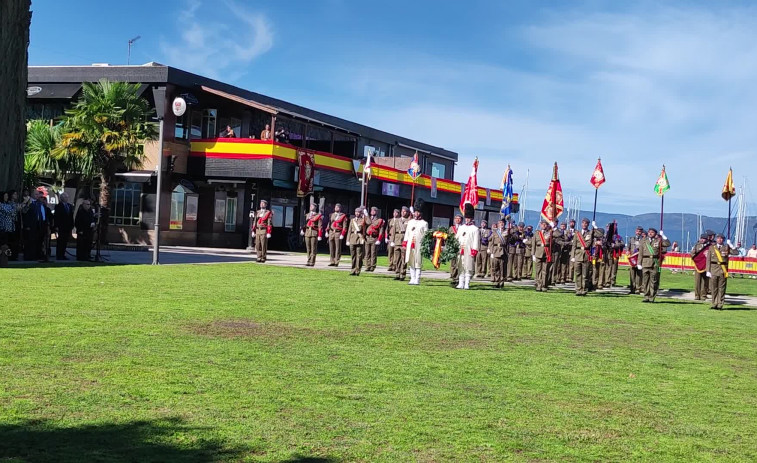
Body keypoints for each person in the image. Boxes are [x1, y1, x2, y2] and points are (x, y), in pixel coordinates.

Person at [636, 228, 671, 303]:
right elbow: (640, 253)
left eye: (652, 232)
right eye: (649, 232)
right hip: (645, 262)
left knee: (653, 281)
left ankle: (652, 297)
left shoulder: (658, 241)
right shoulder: (643, 240)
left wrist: (663, 236)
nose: (650, 233)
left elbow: (668, 244)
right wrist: (639, 263)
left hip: (655, 263)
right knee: (645, 281)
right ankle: (646, 296)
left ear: (655, 233)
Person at [707, 234, 738, 310]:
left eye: (721, 239)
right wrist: (708, 270)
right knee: (713, 288)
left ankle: (720, 304)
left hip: (722, 270)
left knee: (721, 288)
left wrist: (731, 245)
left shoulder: (726, 247)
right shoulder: (712, 248)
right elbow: (708, 260)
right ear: (716, 239)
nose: (719, 240)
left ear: (723, 240)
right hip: (714, 269)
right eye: (718, 238)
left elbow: (736, 252)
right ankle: (714, 303)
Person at [455, 204, 480, 290]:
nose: (467, 220)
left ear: (471, 219)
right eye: (466, 218)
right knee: (460, 266)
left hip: (469, 250)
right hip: (460, 249)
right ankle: (460, 283)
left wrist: (474, 250)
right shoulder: (461, 227)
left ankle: (467, 283)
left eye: (468, 218)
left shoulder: (475, 229)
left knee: (468, 267)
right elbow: (457, 237)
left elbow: (476, 241)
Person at [403, 203, 428, 285]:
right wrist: (405, 242)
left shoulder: (424, 223)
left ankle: (417, 278)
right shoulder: (410, 222)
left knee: (418, 262)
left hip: (419, 245)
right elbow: (407, 233)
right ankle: (412, 278)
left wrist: (425, 245)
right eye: (415, 212)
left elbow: (426, 235)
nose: (416, 214)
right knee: (411, 261)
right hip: (410, 244)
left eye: (418, 212)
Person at [571, 218, 593, 296]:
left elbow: (588, 243)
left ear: (588, 224)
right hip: (577, 255)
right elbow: (574, 245)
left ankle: (584, 289)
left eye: (586, 223)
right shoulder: (577, 233)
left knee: (585, 274)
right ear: (581, 224)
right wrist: (572, 256)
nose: (584, 224)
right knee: (577, 273)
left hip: (586, 255)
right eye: (583, 223)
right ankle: (578, 289)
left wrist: (595, 227)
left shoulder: (590, 233)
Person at [21, 189, 44, 261]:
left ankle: (34, 256)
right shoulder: (29, 202)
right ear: (32, 194)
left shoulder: (38, 203)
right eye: (36, 194)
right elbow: (25, 213)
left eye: (38, 194)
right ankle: (28, 256)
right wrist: (26, 225)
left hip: (37, 225)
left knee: (35, 241)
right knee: (29, 241)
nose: (37, 196)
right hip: (30, 225)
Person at [388, 207, 410, 280]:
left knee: (403, 259)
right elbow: (393, 231)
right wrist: (392, 241)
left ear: (407, 213)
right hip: (397, 240)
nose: (403, 213)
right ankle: (397, 273)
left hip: (404, 240)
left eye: (405, 212)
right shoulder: (397, 220)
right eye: (402, 211)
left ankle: (402, 274)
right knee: (396, 259)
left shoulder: (409, 221)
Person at [346, 207, 369, 276]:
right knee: (353, 256)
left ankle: (357, 270)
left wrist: (366, 214)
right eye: (356, 212)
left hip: (359, 239)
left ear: (361, 213)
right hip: (352, 238)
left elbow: (369, 222)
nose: (357, 213)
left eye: (358, 212)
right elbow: (349, 231)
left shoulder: (363, 220)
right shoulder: (352, 220)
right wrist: (347, 240)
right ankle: (353, 269)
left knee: (359, 256)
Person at [531, 221, 553, 292]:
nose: (543, 226)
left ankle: (544, 285)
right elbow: (533, 243)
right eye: (542, 224)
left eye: (545, 224)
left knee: (545, 271)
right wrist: (533, 254)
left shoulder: (550, 232)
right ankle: (538, 284)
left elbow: (555, 238)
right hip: (538, 253)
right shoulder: (537, 233)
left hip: (546, 253)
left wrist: (553, 228)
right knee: (538, 270)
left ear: (547, 225)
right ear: (540, 225)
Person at [53, 192, 75, 260]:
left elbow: (71, 216)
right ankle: (59, 255)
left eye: (67, 197)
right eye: (65, 197)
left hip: (68, 227)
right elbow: (56, 217)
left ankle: (63, 254)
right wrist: (56, 226)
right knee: (60, 241)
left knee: (65, 241)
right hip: (61, 226)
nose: (67, 198)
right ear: (62, 198)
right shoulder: (58, 206)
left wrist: (72, 225)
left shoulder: (69, 206)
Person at [364, 207, 384, 272]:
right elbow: (366, 224)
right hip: (367, 237)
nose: (372, 212)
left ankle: (372, 266)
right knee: (367, 253)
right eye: (372, 210)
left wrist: (379, 239)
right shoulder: (367, 218)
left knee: (373, 253)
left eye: (374, 211)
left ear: (376, 212)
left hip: (374, 237)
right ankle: (367, 266)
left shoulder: (379, 220)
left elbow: (381, 230)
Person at [691, 234, 710, 301]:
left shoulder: (709, 246)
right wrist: (697, 260)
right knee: (697, 281)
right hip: (698, 266)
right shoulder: (697, 245)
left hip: (706, 266)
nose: (702, 239)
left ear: (706, 239)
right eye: (701, 238)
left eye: (704, 238)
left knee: (705, 282)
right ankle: (697, 295)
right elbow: (692, 254)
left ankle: (703, 295)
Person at [489, 219, 507, 288]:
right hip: (496, 250)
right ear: (498, 224)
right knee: (495, 267)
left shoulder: (507, 231)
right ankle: (496, 281)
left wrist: (510, 223)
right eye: (499, 223)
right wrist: (491, 251)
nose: (501, 224)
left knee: (502, 267)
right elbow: (491, 242)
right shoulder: (495, 232)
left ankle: (501, 281)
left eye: (502, 223)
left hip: (503, 251)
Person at [627, 226, 644, 294]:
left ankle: (638, 288)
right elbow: (628, 247)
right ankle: (632, 289)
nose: (638, 232)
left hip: (639, 258)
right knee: (632, 274)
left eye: (640, 231)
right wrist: (628, 251)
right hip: (632, 258)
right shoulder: (631, 239)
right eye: (637, 231)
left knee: (639, 274)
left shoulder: (643, 240)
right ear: (635, 231)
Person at [448, 214, 462, 286]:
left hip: (460, 247)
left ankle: (459, 277)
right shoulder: (451, 228)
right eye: (456, 218)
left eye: (459, 218)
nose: (457, 220)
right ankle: (453, 277)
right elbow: (448, 237)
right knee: (453, 263)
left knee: (459, 263)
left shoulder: (463, 228)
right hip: (453, 247)